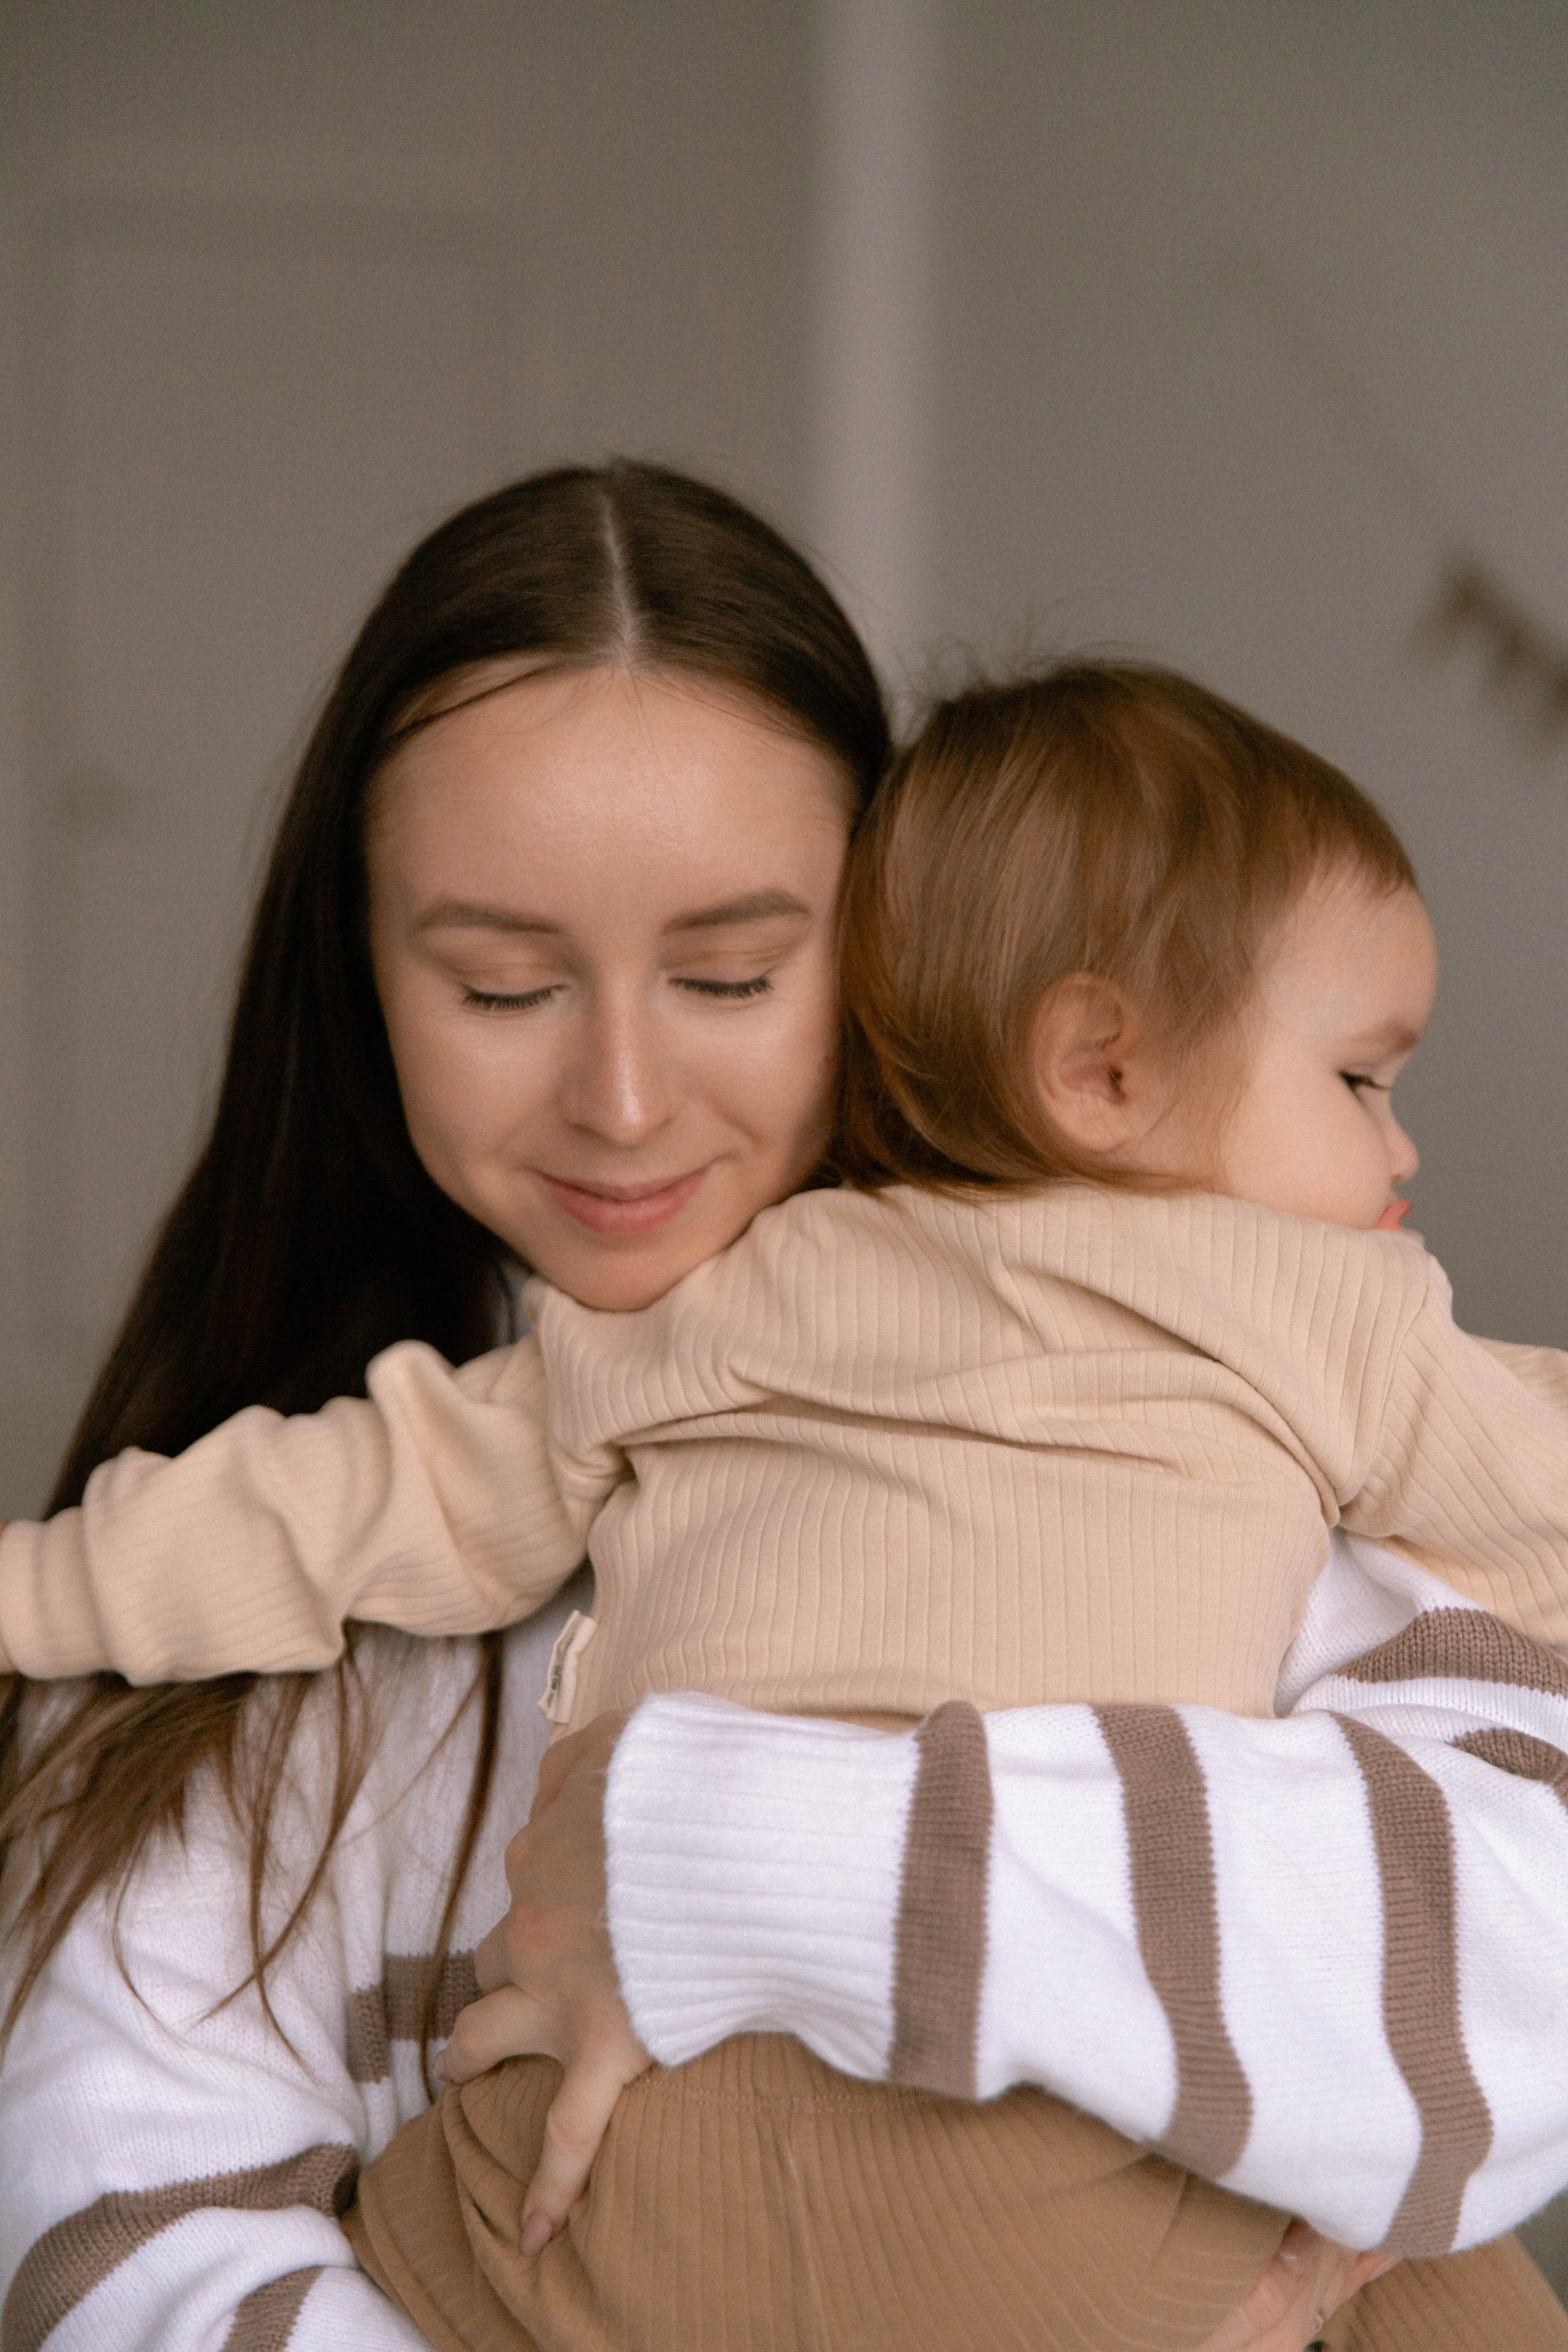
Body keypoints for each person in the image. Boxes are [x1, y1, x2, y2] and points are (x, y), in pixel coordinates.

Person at [4, 652, 1568, 2350]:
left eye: (733, 973)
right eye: (505, 983)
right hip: (1084, 2227)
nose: (622, 1096)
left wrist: (29, 1590)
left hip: (577, 2196)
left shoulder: (702, 1327)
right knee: (1434, 2284)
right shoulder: (1338, 1334)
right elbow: (127, 2248)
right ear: (1098, 1061)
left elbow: (340, 1494)